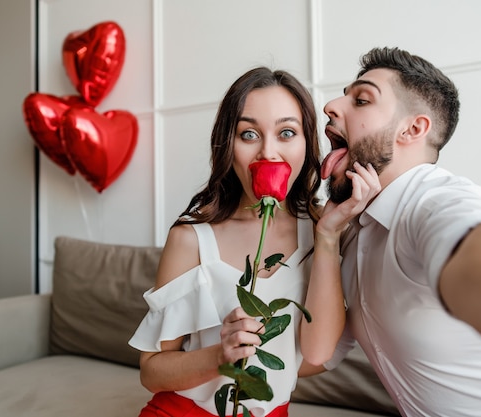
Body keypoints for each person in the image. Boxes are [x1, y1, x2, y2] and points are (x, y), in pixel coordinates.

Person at [296, 46, 481, 417]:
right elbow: (319, 355)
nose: (331, 106)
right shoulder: (352, 226)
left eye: (362, 99)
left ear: (413, 129)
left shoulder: (437, 202)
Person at [128, 66, 379, 417]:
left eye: (287, 132)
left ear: (307, 145)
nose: (268, 153)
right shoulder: (190, 238)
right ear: (227, 146)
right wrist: (220, 354)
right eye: (248, 134)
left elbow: (318, 354)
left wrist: (326, 238)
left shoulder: (325, 229)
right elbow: (151, 372)